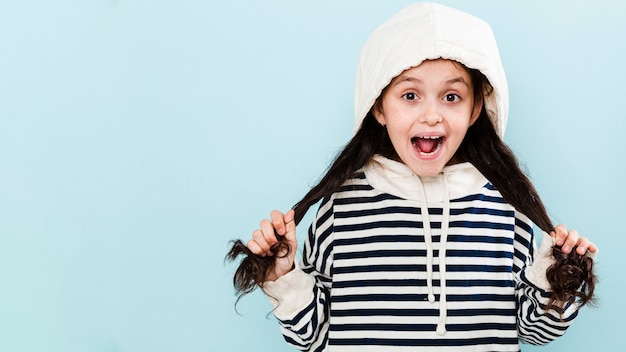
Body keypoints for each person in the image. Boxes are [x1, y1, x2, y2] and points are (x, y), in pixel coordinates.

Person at [227, 2, 598, 351]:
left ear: (475, 110)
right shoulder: (339, 211)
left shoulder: (503, 211)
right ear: (378, 107)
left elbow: (536, 331)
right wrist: (283, 274)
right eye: (410, 95)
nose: (431, 115)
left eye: (451, 97)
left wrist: (559, 273)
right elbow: (311, 336)